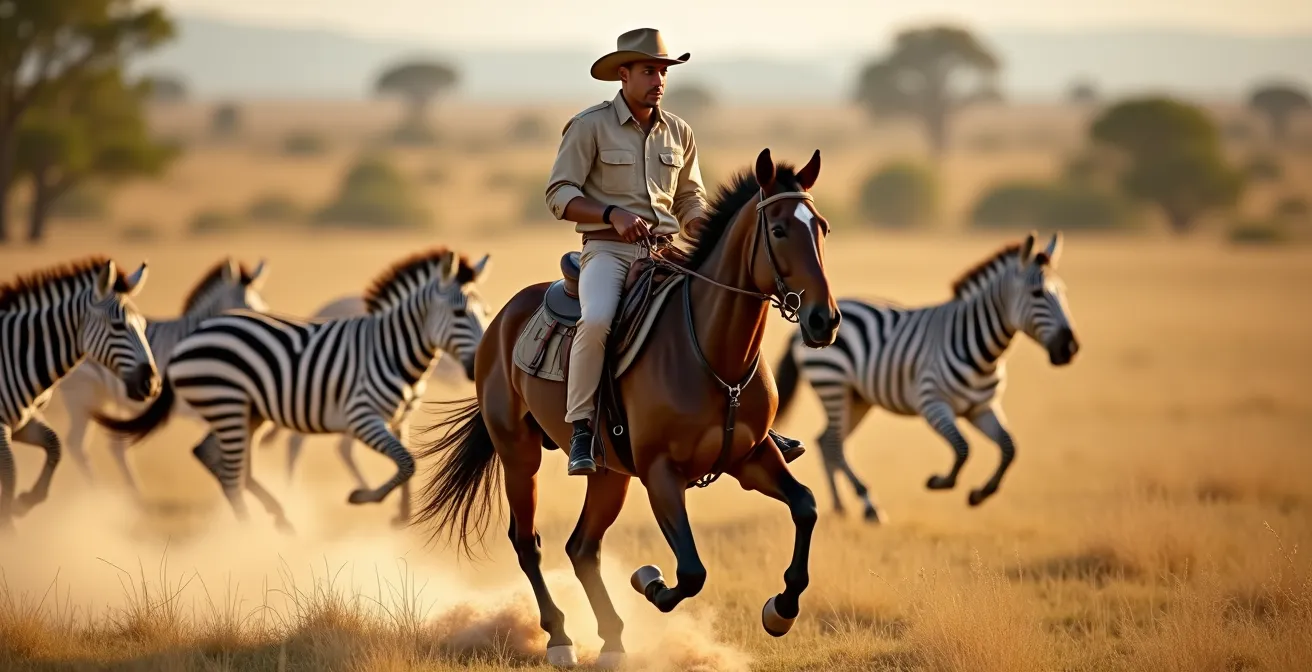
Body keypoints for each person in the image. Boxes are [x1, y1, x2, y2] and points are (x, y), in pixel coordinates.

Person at [544, 27, 805, 476]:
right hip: (608, 251)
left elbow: (689, 200)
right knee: (598, 318)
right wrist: (612, 214)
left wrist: (707, 230)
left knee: (728, 304)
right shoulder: (589, 126)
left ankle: (756, 422)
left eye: (663, 71)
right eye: (649, 71)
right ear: (622, 75)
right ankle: (582, 427)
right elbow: (558, 194)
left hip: (666, 251)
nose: (659, 80)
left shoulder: (679, 132)